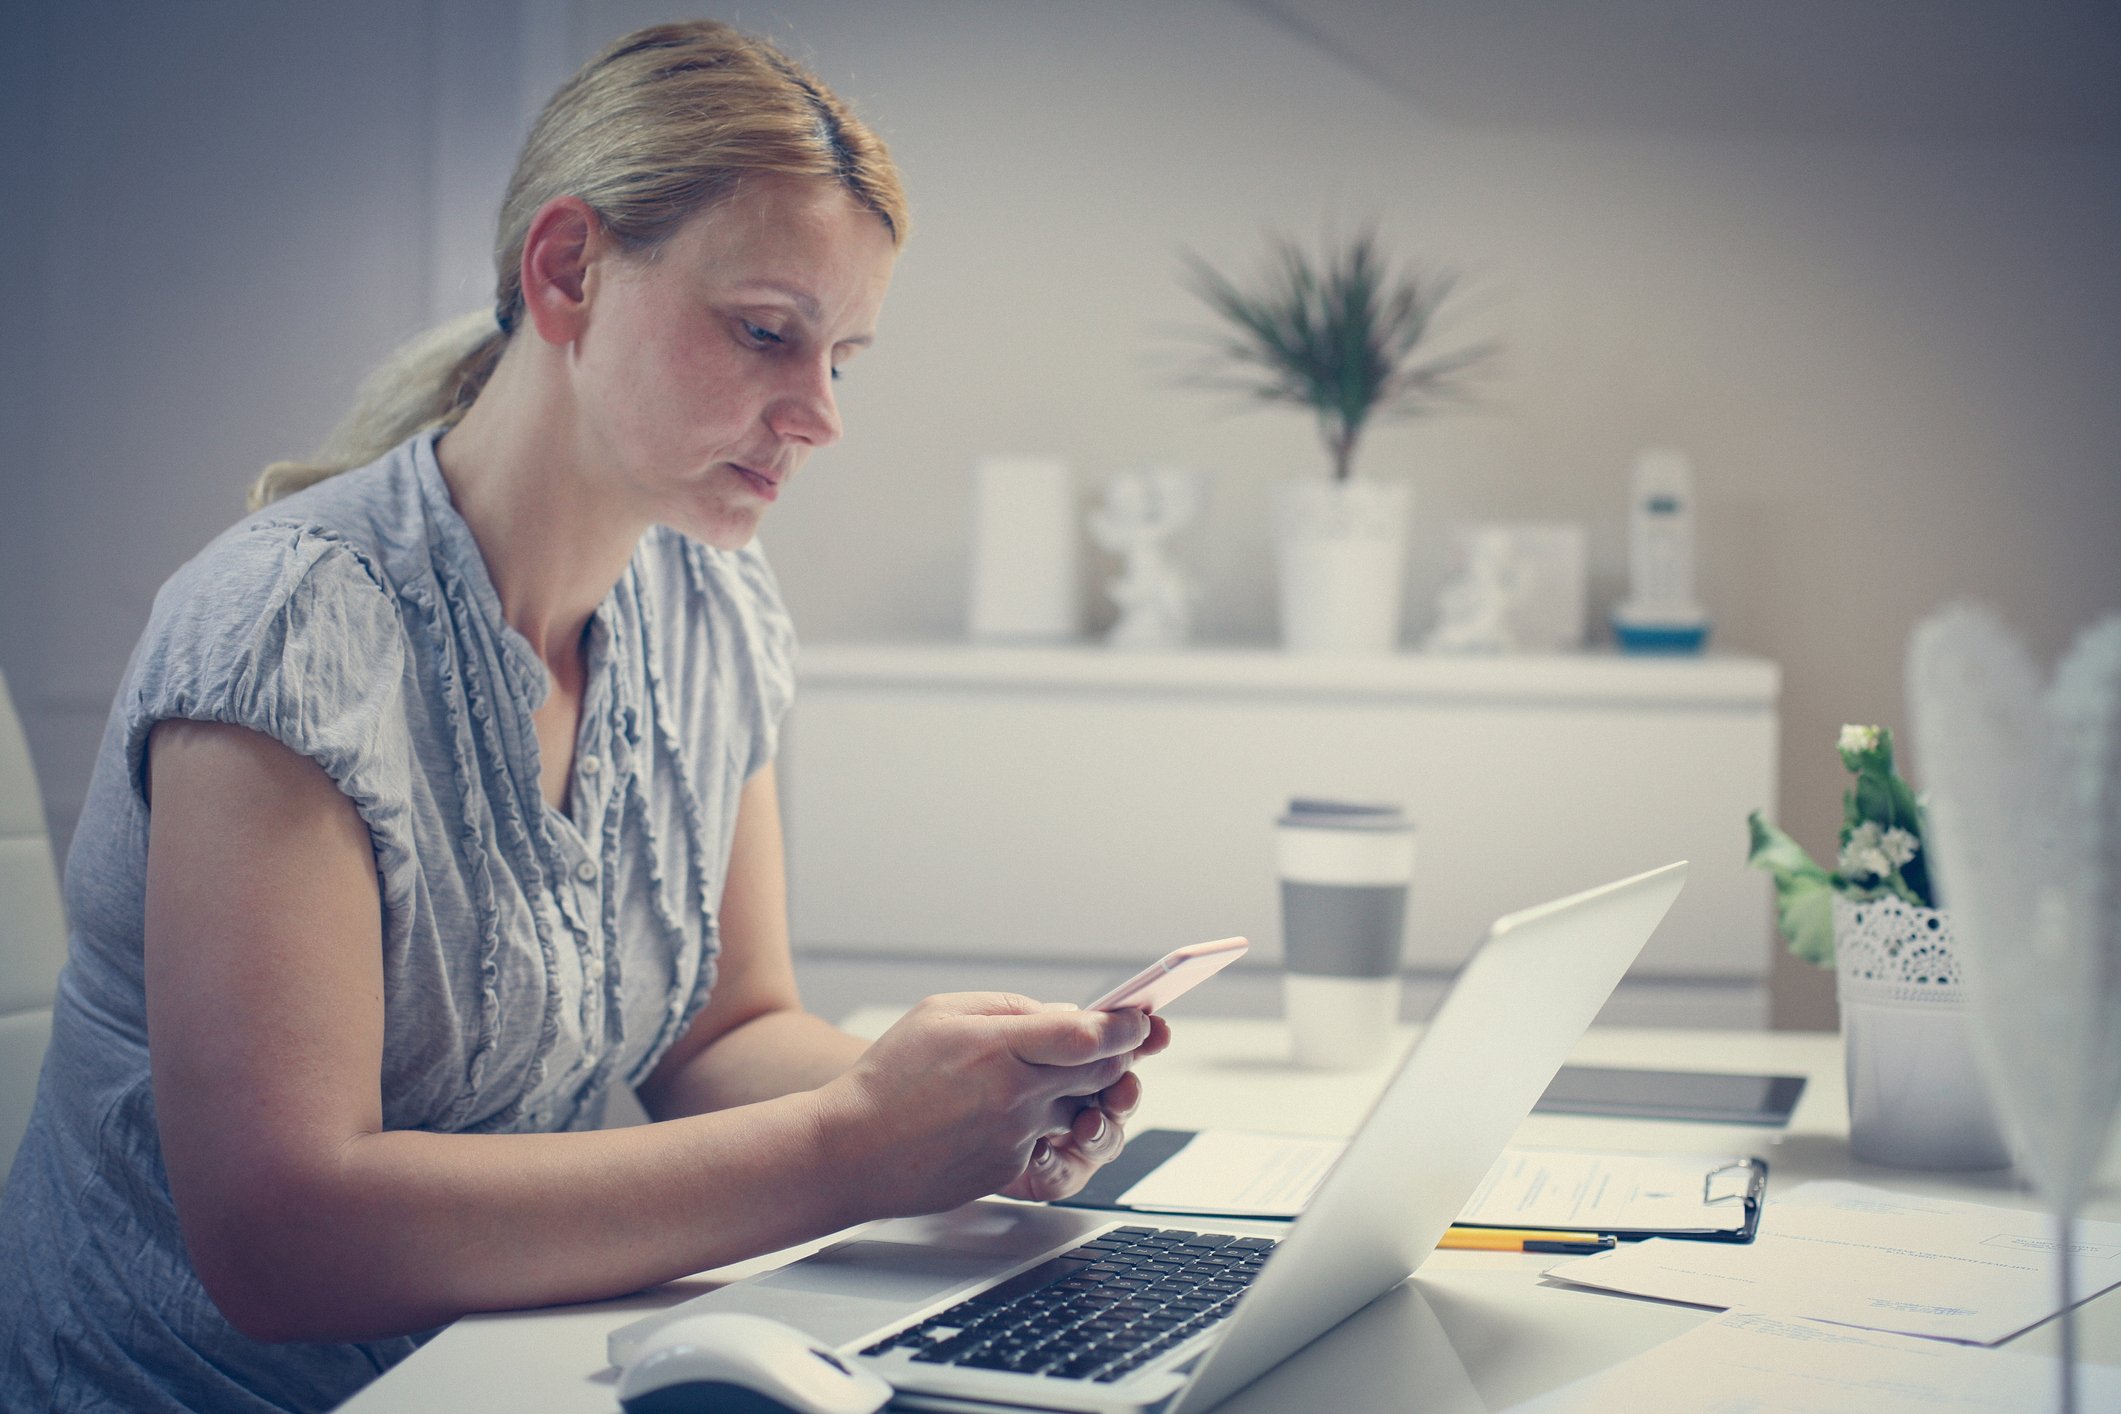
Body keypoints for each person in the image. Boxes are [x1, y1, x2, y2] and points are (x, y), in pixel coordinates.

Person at [0, 20, 1166, 1414]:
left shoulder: (712, 605)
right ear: (566, 271)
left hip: (507, 1365)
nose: (819, 415)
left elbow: (719, 1038)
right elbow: (282, 1242)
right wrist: (855, 1143)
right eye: (766, 332)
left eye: (841, 356)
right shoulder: (289, 628)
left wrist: (969, 1105)